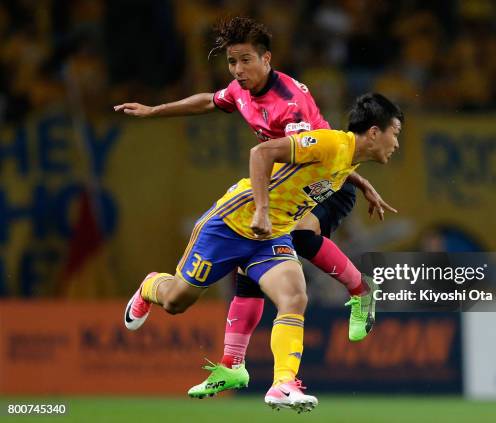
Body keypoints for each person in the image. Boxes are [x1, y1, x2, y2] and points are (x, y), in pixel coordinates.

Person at [115, 17, 396, 395]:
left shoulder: (291, 110)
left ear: (267, 59)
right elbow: (214, 104)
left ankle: (283, 384)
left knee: (294, 294)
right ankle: (152, 287)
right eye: (233, 63)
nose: (238, 71)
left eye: (245, 61)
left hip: (272, 223)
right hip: (234, 221)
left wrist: (351, 182)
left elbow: (315, 154)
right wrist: (155, 110)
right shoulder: (243, 90)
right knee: (176, 301)